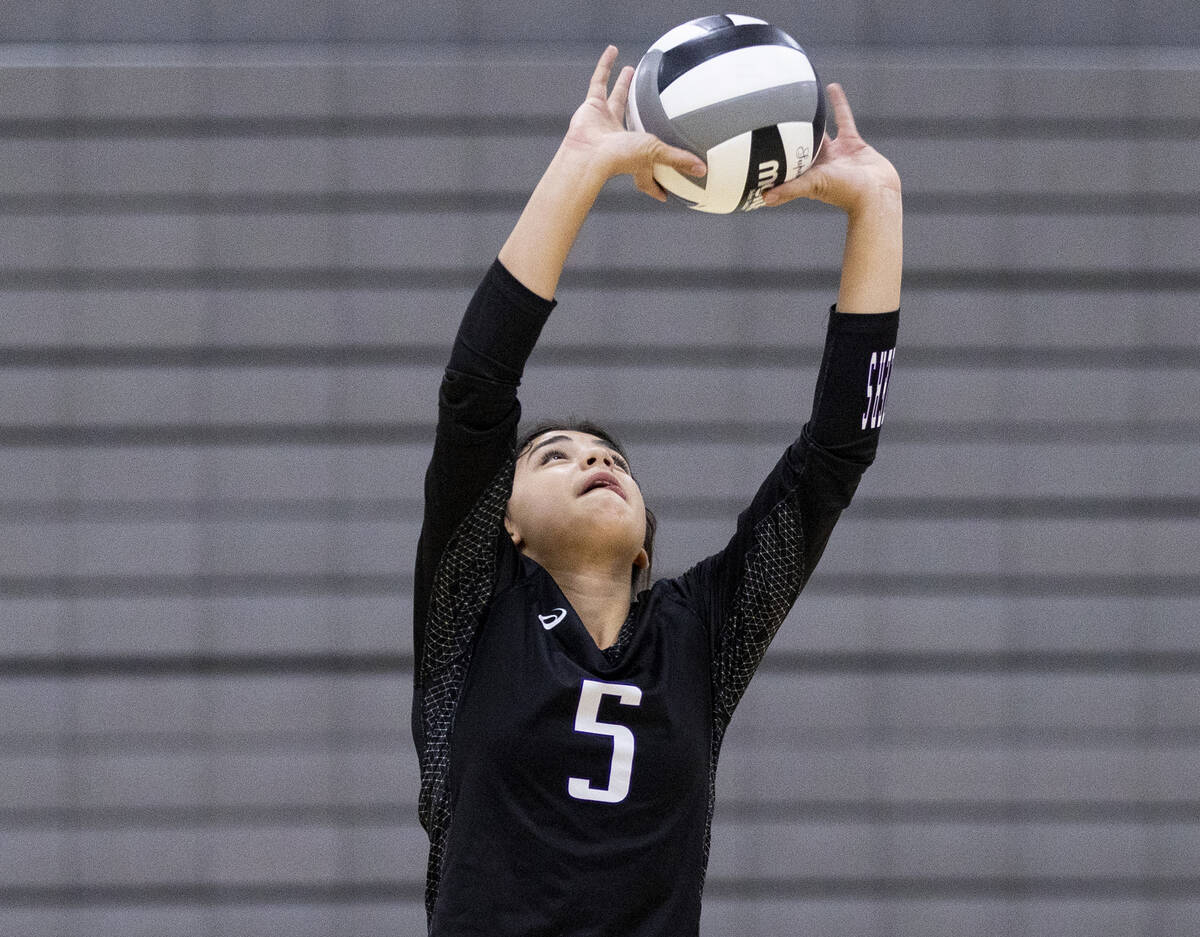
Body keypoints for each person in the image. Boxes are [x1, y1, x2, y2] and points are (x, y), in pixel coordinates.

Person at [412, 45, 902, 937]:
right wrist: (582, 164)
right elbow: (475, 395)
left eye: (609, 458)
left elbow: (835, 454)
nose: (593, 461)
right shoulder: (473, 612)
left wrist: (878, 205)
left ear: (644, 538)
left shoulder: (699, 637)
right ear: (506, 527)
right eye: (552, 457)